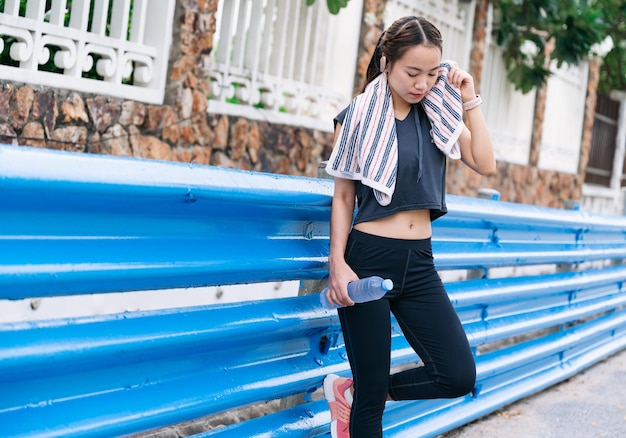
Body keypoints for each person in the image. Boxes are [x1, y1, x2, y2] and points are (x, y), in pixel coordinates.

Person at [321, 15, 496, 438]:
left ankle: (357, 392)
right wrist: (337, 265)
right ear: (387, 62)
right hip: (368, 260)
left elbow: (486, 164)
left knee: (457, 375)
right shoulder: (358, 115)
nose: (422, 84)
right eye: (412, 72)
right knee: (370, 406)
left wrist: (469, 99)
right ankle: (363, 395)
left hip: (419, 264)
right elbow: (344, 196)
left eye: (433, 74)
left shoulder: (439, 115)